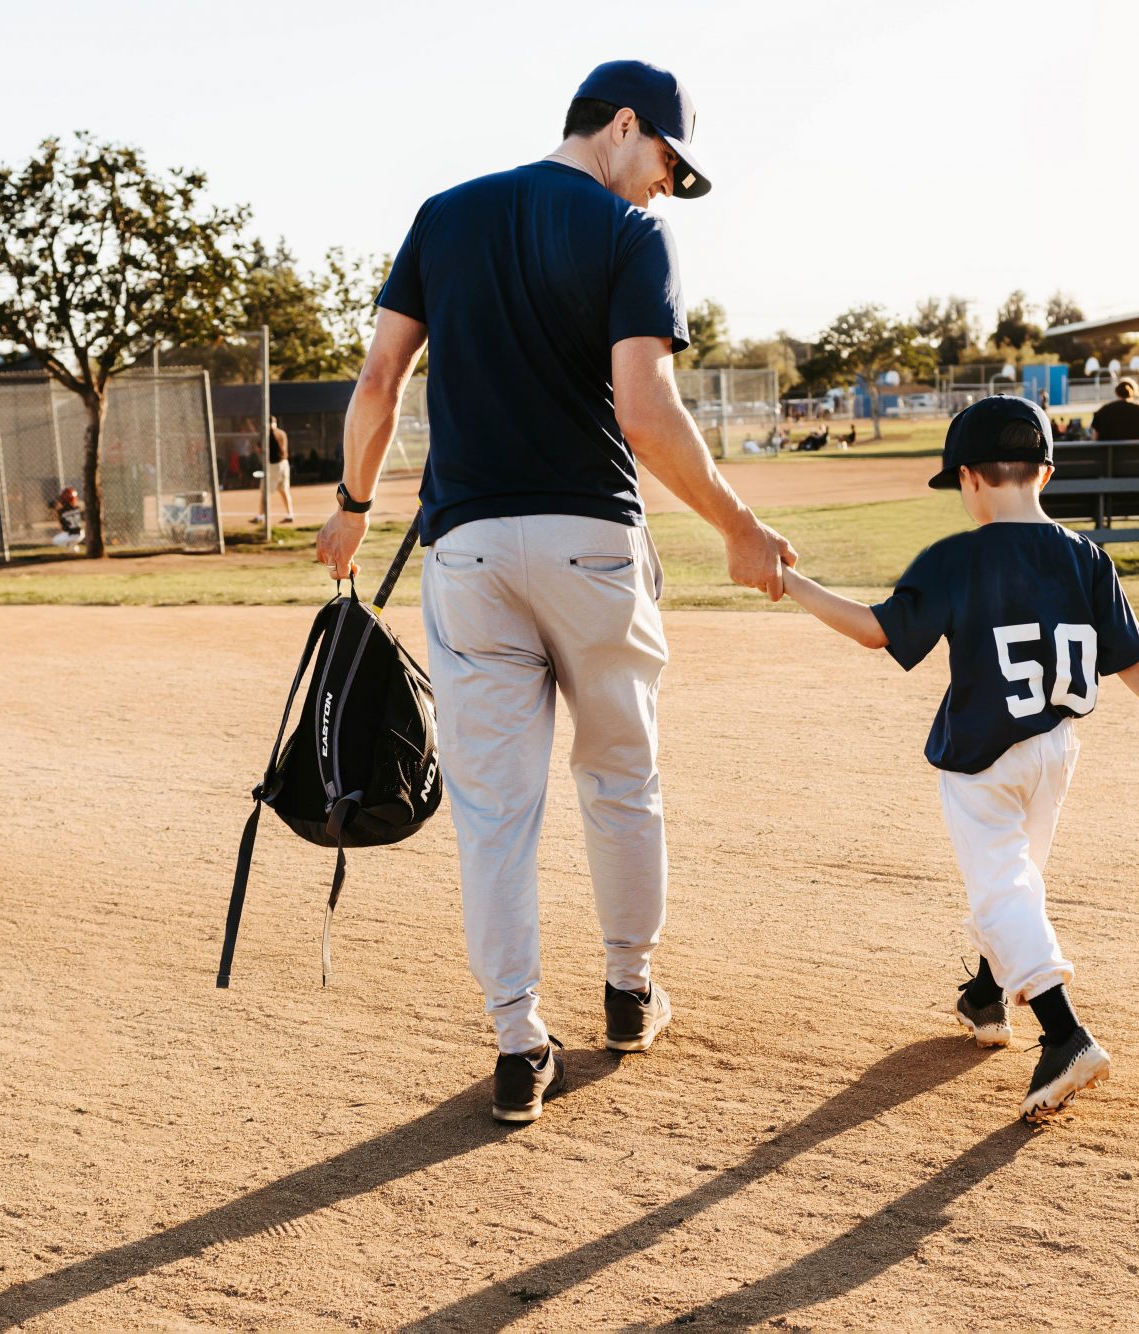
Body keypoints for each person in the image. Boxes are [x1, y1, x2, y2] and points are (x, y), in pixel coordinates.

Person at [315, 60, 796, 1124]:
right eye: (667, 159)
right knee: (621, 777)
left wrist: (352, 503)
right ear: (622, 126)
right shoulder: (629, 238)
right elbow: (644, 407)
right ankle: (628, 992)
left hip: (470, 553)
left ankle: (516, 1042)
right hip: (591, 544)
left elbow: (380, 381)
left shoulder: (443, 216)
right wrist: (737, 526)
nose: (665, 186)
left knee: (493, 813)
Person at [776, 397, 1139, 1119]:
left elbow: (874, 631)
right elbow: (1132, 658)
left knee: (1002, 888)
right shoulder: (1087, 557)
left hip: (981, 761)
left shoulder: (961, 559)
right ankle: (986, 998)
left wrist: (788, 581)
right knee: (1013, 879)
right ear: (1045, 471)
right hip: (1054, 753)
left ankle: (1065, 1034)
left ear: (969, 479)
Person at [254, 416, 295, 524]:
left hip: (274, 466)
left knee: (265, 491)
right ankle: (290, 514)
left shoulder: (269, 434)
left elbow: (259, 448)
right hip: (284, 464)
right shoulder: (282, 433)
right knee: (284, 491)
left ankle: (260, 516)